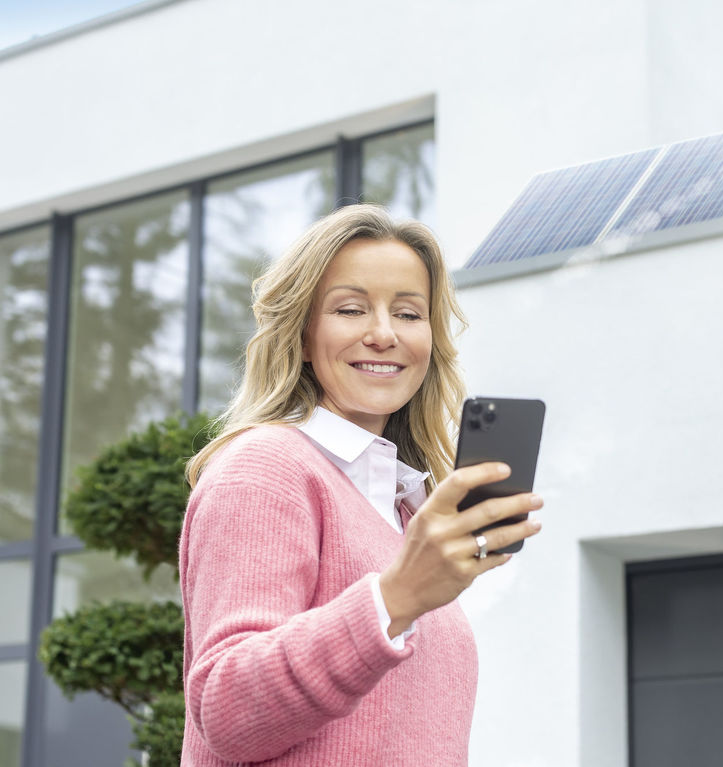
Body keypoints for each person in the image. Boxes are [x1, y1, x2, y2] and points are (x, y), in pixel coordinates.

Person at [179, 204, 543, 766]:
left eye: (408, 313)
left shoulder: (402, 511)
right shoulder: (266, 467)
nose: (382, 334)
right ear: (302, 337)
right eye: (350, 309)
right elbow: (228, 711)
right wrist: (395, 597)